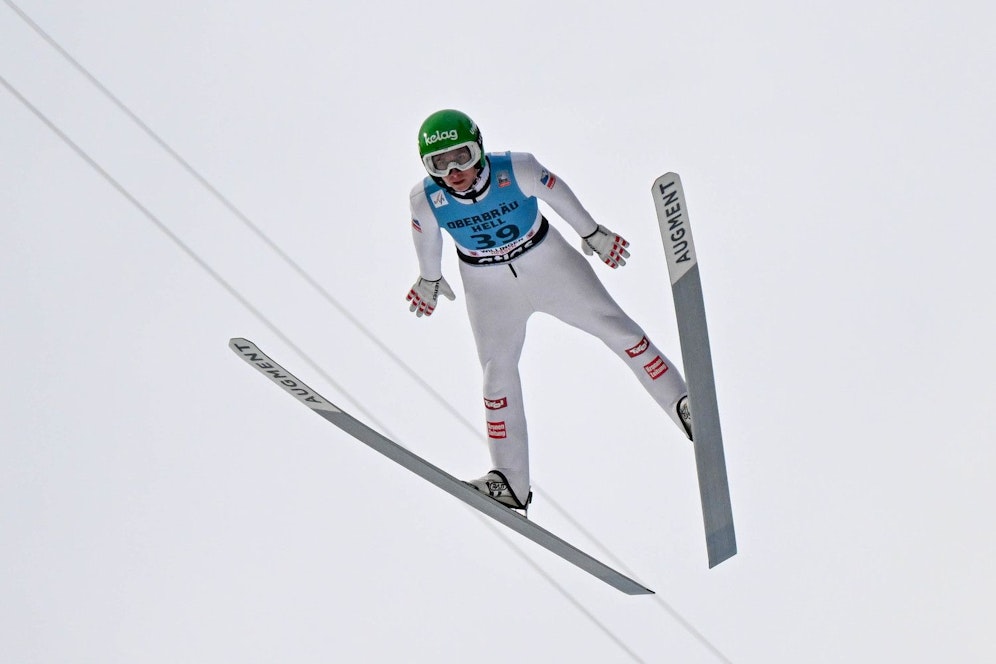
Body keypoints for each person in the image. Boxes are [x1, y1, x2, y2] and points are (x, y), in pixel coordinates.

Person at [406, 109, 691, 513]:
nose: (454, 171)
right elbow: (427, 239)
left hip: (547, 262)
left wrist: (592, 232)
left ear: (480, 149)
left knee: (617, 328)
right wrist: (429, 278)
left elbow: (556, 193)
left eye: (463, 156)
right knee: (495, 374)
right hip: (488, 287)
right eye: (440, 163)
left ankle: (683, 405)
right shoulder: (425, 199)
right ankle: (509, 482)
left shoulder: (516, 168)